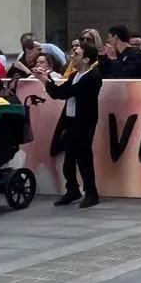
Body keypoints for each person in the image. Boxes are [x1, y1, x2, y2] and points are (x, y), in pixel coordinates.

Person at [38, 43, 103, 208]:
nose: (73, 56)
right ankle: (72, 190)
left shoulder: (93, 77)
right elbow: (58, 93)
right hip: (70, 121)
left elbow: (67, 92)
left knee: (84, 159)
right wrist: (46, 80)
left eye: (78, 54)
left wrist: (48, 80)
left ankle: (91, 193)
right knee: (69, 160)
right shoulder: (75, 75)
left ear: (87, 59)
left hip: (84, 123)